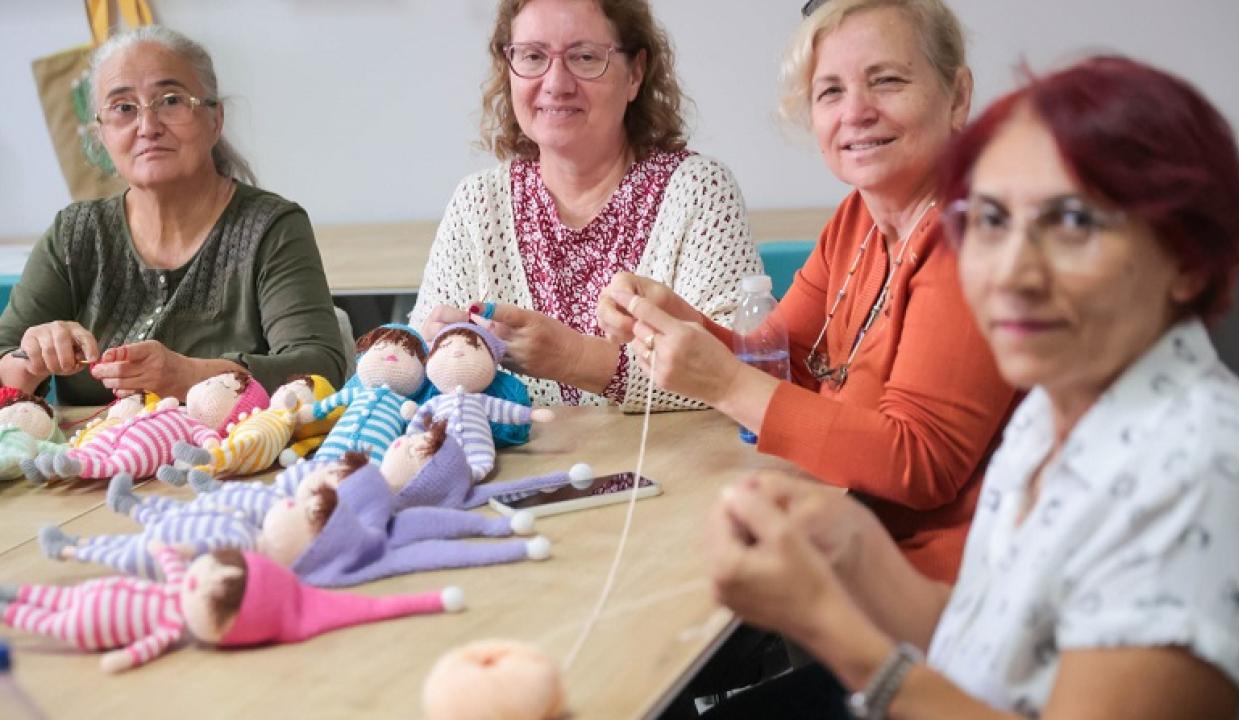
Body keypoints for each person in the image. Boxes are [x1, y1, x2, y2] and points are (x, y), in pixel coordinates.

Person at [704, 56, 1239, 718]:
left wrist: (829, 627)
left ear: (1185, 260)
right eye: (991, 221)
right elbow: (992, 644)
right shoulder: (1056, 409)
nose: (1011, 272)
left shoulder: (1204, 467)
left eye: (1071, 224)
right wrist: (855, 546)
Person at [600, 0, 1016, 582]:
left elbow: (919, 463)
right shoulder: (857, 221)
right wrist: (679, 321)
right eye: (830, 93)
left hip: (943, 603)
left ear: (958, 96)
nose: (857, 113)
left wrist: (719, 379)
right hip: (845, 560)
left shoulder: (973, 236)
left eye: (887, 81)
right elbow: (781, 362)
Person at [409, 0, 762, 411]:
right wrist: (432, 353)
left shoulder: (699, 190)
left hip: (676, 469)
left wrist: (574, 358)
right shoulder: (477, 204)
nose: (556, 83)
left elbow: (744, 373)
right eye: (533, 56)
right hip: (524, 473)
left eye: (585, 57)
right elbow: (412, 374)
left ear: (635, 73)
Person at [0, 26, 346, 405]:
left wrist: (188, 375)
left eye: (170, 100)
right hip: (85, 461)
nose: (148, 126)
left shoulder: (271, 227)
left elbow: (318, 369)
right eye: (123, 108)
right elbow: (6, 355)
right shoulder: (75, 233)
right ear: (102, 136)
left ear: (214, 119)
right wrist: (30, 360)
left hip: (233, 459)